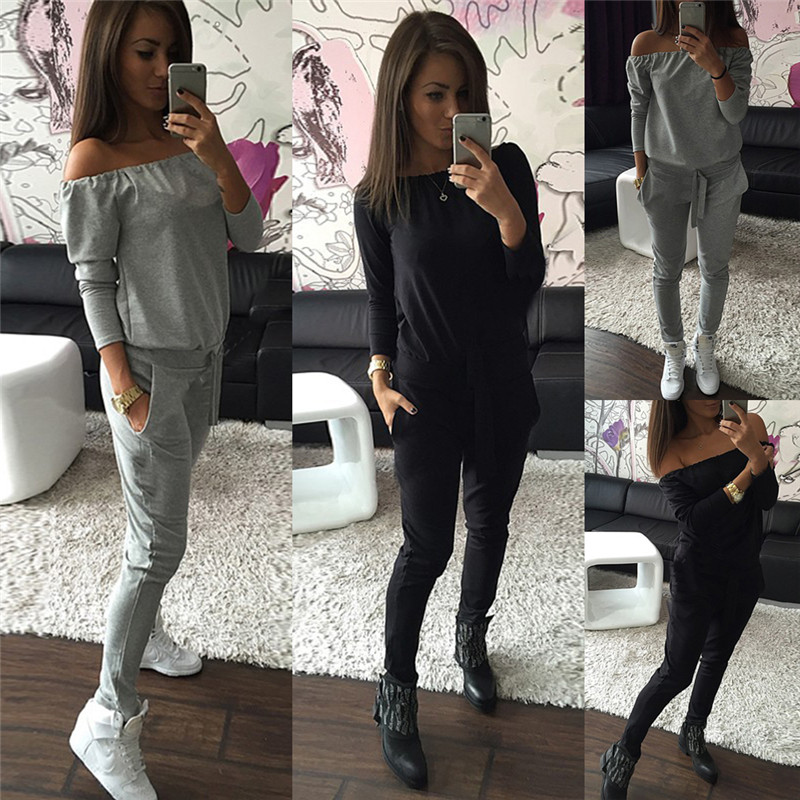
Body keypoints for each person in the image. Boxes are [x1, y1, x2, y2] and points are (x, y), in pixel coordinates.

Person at [60, 2, 262, 798]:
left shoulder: (192, 140)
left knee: (152, 533)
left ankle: (141, 638)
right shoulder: (94, 159)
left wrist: (217, 154)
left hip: (206, 361)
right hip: (145, 374)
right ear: (111, 54)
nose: (158, 68)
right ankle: (106, 719)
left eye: (171, 51)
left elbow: (251, 237)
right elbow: (93, 279)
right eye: (144, 50)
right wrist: (123, 387)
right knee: (157, 548)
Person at [353, 10, 546, 790]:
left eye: (463, 93)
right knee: (425, 548)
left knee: (490, 524)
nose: (450, 110)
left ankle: (471, 639)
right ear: (402, 96)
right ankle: (396, 691)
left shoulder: (507, 168)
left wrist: (505, 210)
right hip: (424, 397)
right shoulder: (378, 196)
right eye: (435, 93)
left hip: (503, 386)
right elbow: (381, 298)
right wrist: (377, 372)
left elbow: (525, 286)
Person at [599, 398, 778, 799]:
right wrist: (750, 467)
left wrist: (756, 457)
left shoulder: (750, 424)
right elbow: (695, 520)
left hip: (744, 572)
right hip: (697, 575)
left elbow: (767, 500)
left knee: (716, 658)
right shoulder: (668, 451)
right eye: (697, 386)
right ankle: (623, 753)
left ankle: (692, 731)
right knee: (676, 672)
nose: (709, 394)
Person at [627, 0, 751, 399]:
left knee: (715, 267)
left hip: (721, 174)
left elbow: (735, 114)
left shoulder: (733, 40)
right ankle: (674, 349)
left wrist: (715, 65)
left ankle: (705, 343)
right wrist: (641, 171)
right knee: (666, 269)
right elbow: (639, 108)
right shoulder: (646, 45)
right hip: (664, 175)